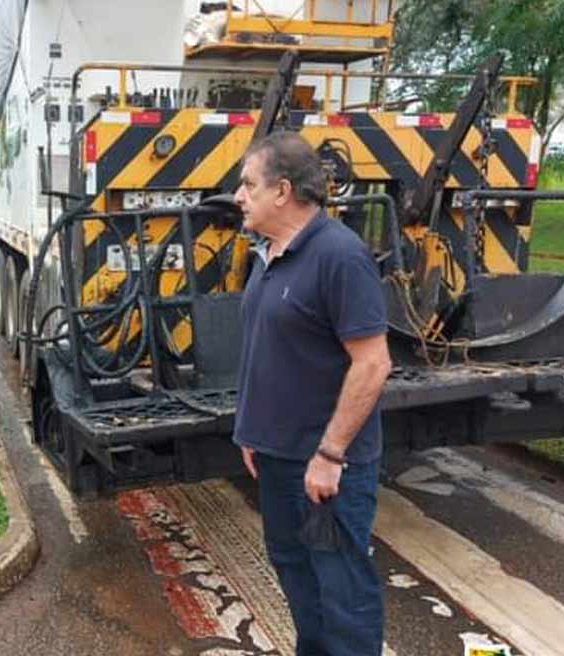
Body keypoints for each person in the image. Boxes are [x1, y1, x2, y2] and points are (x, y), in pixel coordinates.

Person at [232, 132, 393, 655]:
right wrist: (251, 432)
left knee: (342, 590)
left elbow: (372, 364)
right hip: (277, 458)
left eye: (247, 184)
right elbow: (270, 349)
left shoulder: (339, 257)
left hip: (324, 469)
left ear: (282, 191)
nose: (239, 196)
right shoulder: (269, 255)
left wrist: (329, 455)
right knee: (298, 578)